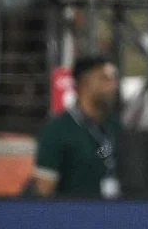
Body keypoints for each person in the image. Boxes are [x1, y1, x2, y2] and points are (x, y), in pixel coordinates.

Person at [33, 56, 121, 199]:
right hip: (75, 216)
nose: (114, 85)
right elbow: (43, 192)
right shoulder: (58, 131)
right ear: (84, 84)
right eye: (105, 78)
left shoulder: (115, 126)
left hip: (118, 214)